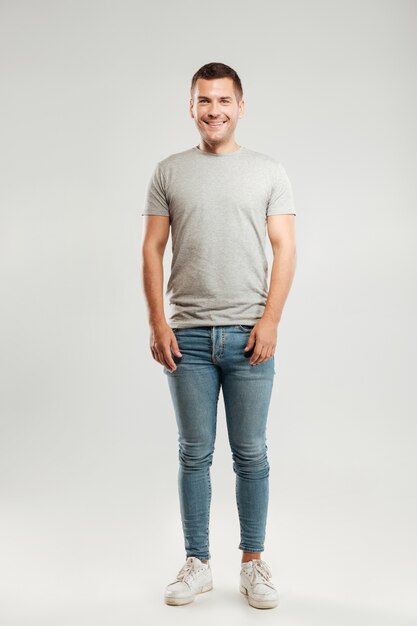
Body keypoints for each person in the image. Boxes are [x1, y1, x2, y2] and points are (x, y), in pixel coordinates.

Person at [141, 62, 297, 610]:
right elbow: (152, 248)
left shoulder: (269, 171)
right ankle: (198, 563)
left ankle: (253, 563)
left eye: (223, 101)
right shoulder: (168, 171)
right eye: (204, 101)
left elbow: (286, 248)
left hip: (250, 334)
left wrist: (271, 319)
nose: (214, 110)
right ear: (191, 107)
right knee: (193, 453)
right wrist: (158, 322)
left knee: (251, 453)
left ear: (240, 106)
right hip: (187, 338)